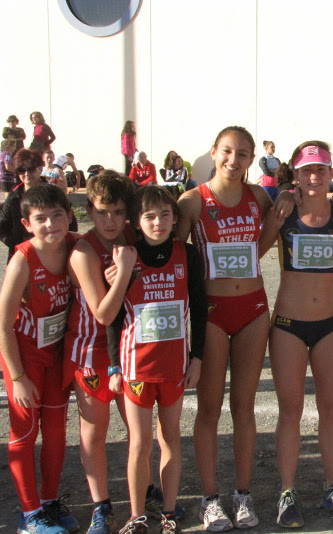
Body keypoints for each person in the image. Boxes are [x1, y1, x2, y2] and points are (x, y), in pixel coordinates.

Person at [176, 126, 289, 531]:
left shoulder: (259, 196)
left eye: (243, 154)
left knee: (244, 407)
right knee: (208, 409)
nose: (233, 160)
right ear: (213, 152)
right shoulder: (191, 202)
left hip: (253, 310)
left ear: (252, 157)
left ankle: (243, 494)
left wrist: (286, 202)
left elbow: (258, 247)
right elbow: (174, 258)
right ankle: (210, 499)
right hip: (212, 313)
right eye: (227, 151)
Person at [259, 141, 333, 528]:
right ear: (296, 174)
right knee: (290, 411)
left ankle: (332, 486)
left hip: (330, 325)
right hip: (288, 325)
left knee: (331, 409)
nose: (314, 176)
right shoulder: (284, 212)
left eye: (321, 169)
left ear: (331, 172)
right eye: (307, 171)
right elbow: (255, 250)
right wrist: (277, 211)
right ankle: (288, 492)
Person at [107, 185, 206, 534]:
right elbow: (115, 318)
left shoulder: (187, 254)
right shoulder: (126, 257)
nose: (158, 222)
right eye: (149, 216)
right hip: (135, 366)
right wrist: (113, 366)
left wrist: (197, 358)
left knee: (171, 438)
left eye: (165, 215)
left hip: (174, 367)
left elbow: (198, 309)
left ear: (175, 218)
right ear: (136, 220)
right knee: (140, 442)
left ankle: (168, 511)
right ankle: (136, 516)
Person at [0, 184, 78, 534]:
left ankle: (48, 502)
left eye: (57, 215)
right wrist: (17, 378)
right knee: (26, 431)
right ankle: (29, 515)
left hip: (57, 355)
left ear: (70, 215)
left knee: (58, 432)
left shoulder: (76, 245)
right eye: (41, 219)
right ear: (27, 224)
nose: (50, 224)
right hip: (26, 359)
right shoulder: (23, 259)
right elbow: (2, 324)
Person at [64, 171, 137, 534]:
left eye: (118, 212)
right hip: (91, 350)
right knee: (95, 431)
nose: (111, 220)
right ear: (90, 211)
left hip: (130, 348)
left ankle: (144, 494)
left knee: (137, 429)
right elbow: (103, 312)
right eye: (103, 211)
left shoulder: (131, 236)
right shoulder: (83, 250)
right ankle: (101, 505)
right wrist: (124, 270)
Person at [0, 149, 47, 259]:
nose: (26, 174)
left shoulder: (53, 194)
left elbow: (70, 223)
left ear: (40, 168)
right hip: (19, 255)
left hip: (48, 254)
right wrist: (14, 243)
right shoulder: (13, 197)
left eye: (31, 169)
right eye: (21, 170)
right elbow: (3, 226)